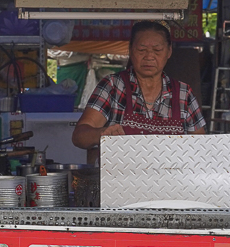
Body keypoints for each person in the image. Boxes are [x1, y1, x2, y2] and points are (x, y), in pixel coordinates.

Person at [72, 21, 206, 162]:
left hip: (172, 180)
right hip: (121, 180)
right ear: (130, 50)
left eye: (157, 50)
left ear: (169, 52)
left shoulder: (184, 94)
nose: (149, 56)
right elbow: (79, 136)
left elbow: (199, 145)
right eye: (141, 50)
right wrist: (100, 133)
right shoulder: (113, 86)